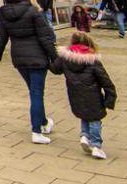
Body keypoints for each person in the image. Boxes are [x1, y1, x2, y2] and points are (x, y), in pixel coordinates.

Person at [0, 0, 58, 145]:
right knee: (36, 93)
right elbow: (45, 37)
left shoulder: (5, 13)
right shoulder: (33, 11)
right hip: (37, 57)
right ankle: (37, 131)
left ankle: (43, 122)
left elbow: (1, 36)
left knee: (34, 92)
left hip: (19, 58)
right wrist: (55, 57)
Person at [50, 31, 117, 160]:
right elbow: (105, 80)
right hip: (93, 95)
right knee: (95, 119)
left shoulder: (65, 57)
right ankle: (96, 146)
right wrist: (110, 97)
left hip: (75, 93)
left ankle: (85, 136)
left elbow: (55, 69)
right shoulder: (92, 59)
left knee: (84, 114)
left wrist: (50, 54)